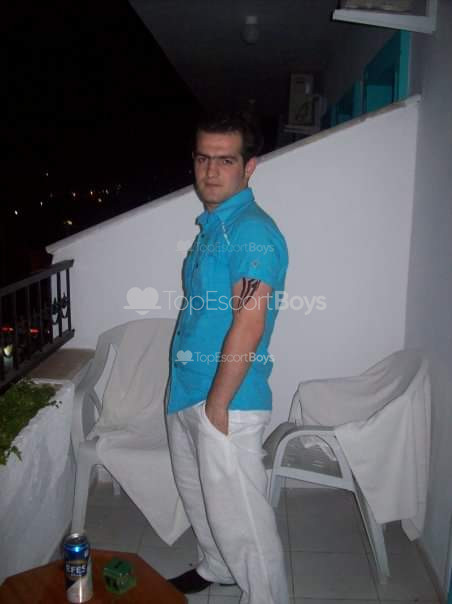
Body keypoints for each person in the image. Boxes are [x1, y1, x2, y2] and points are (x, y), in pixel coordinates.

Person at [166, 112, 289, 604]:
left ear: (249, 167)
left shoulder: (252, 232)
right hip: (188, 388)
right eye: (203, 159)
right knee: (200, 498)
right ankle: (216, 567)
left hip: (226, 398)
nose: (211, 171)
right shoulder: (214, 227)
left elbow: (249, 323)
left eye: (225, 160)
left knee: (245, 524)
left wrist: (218, 405)